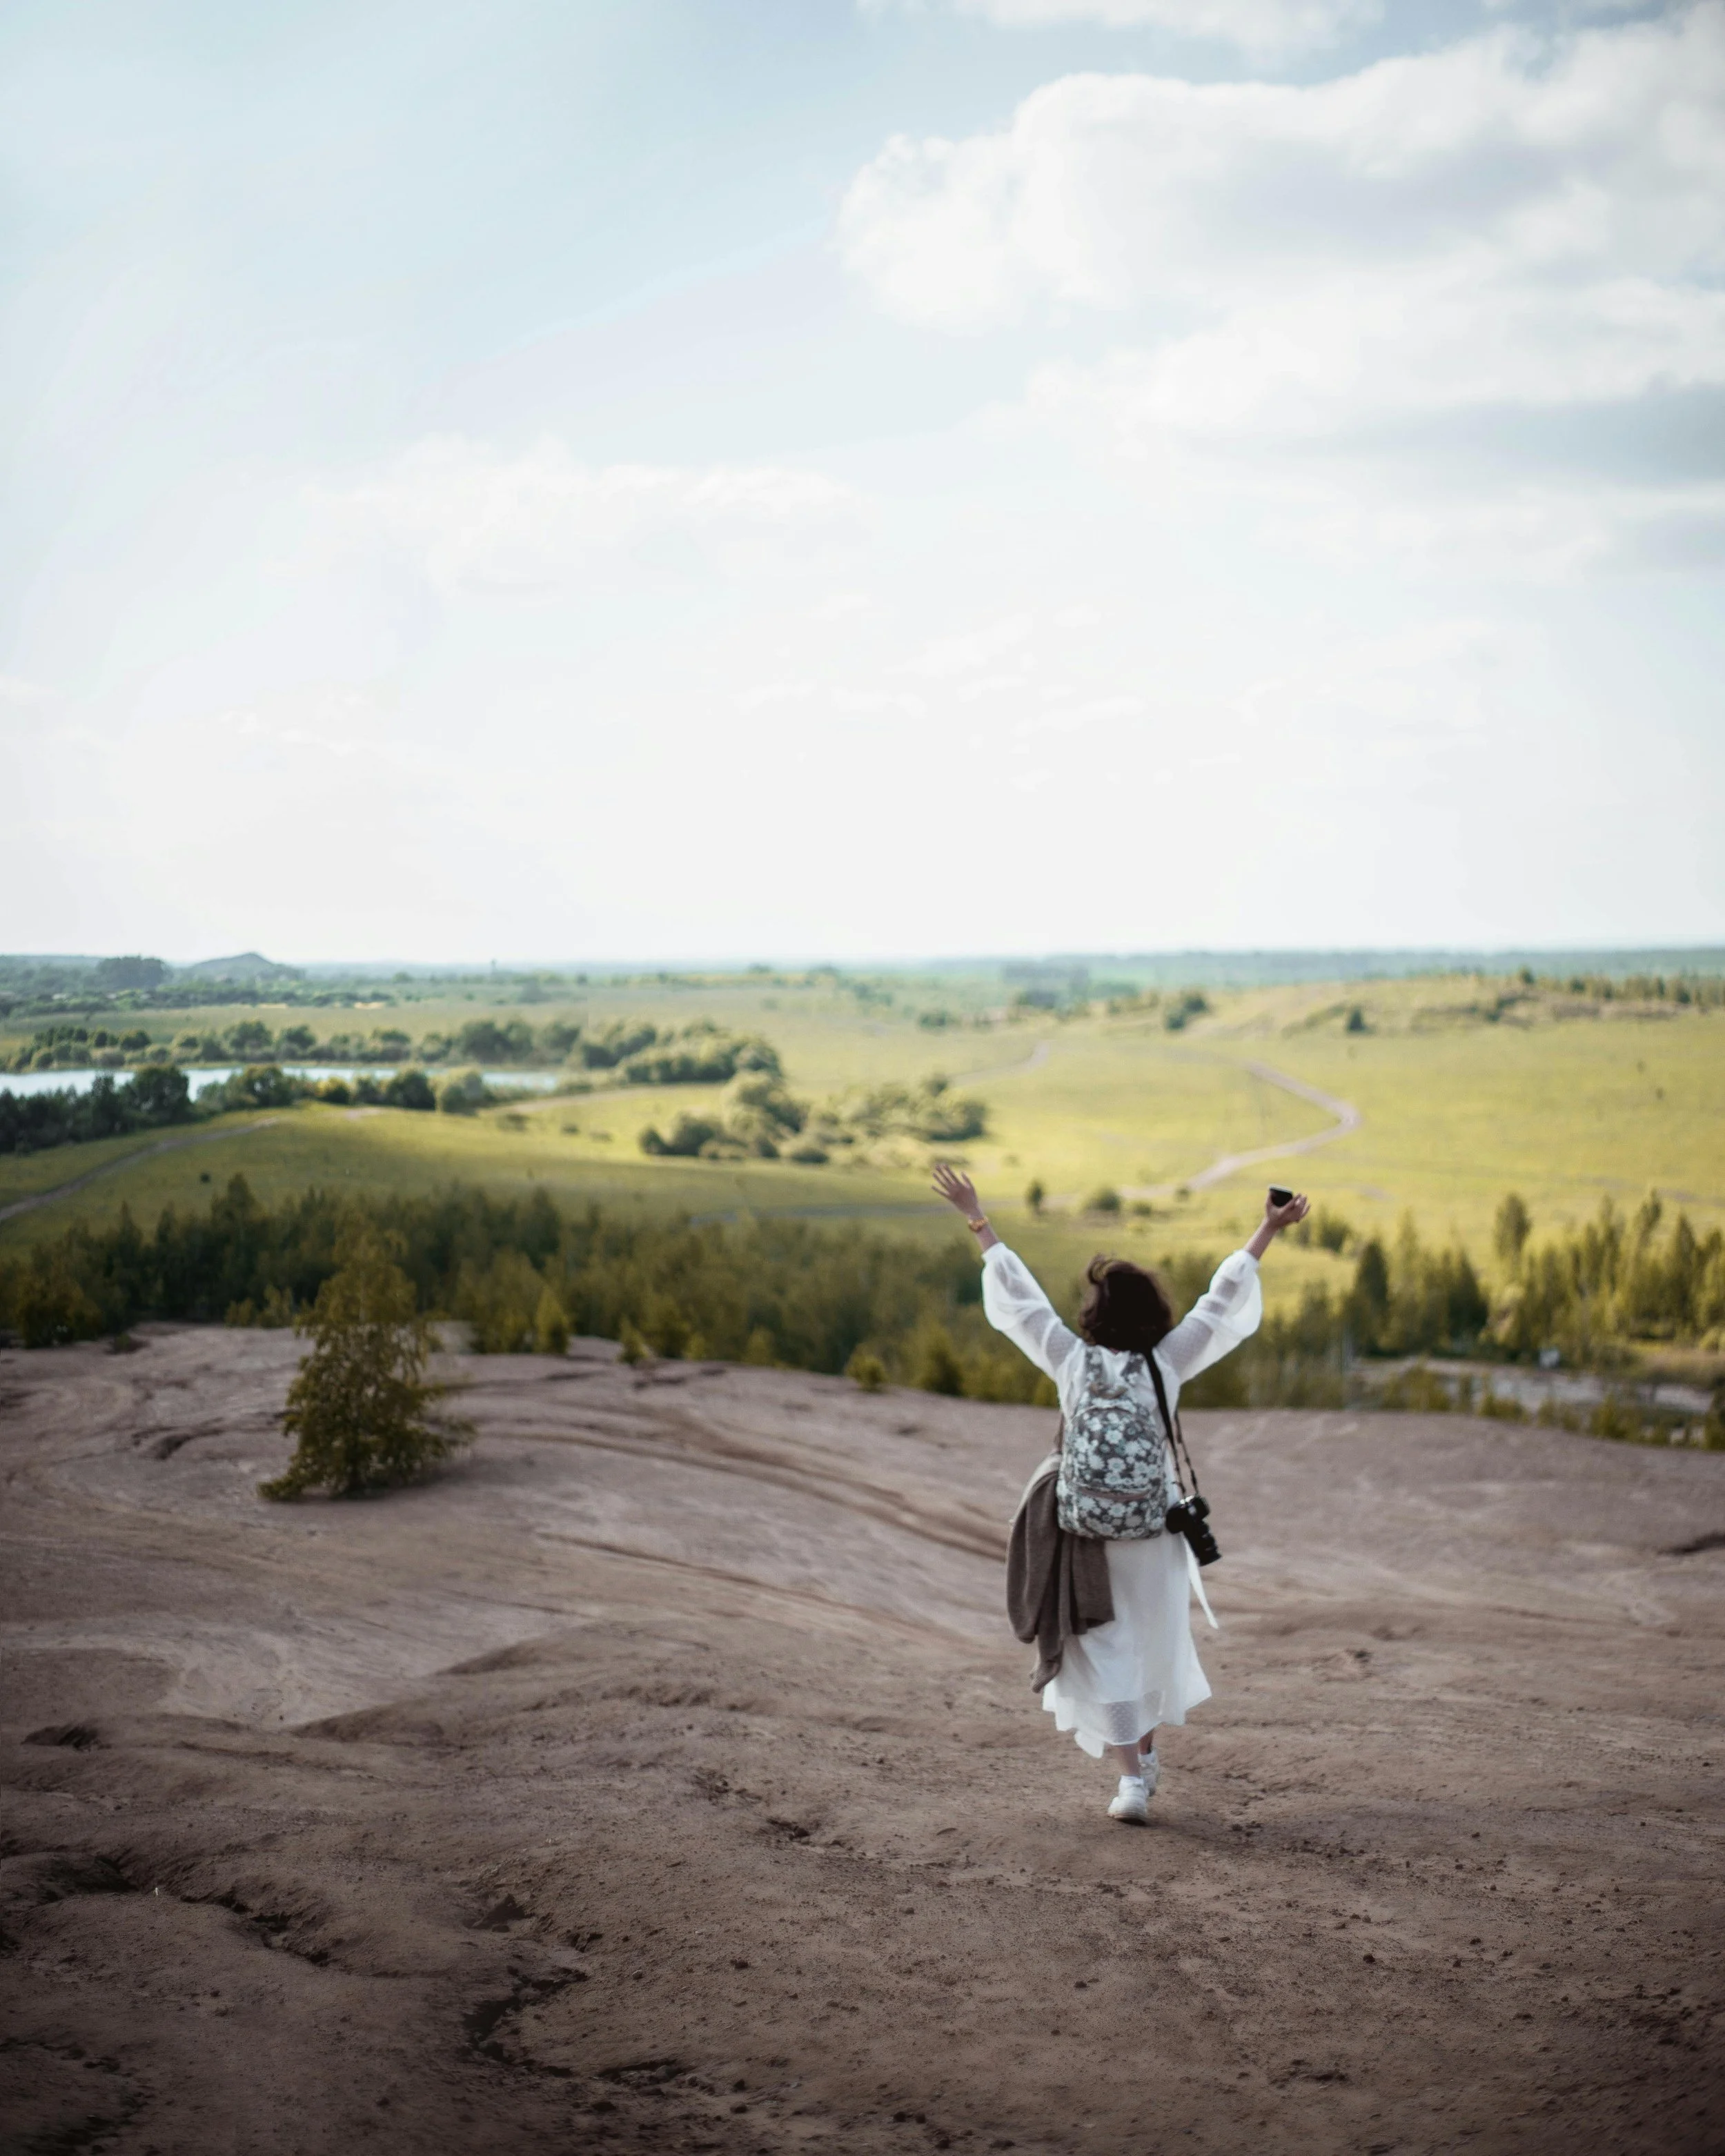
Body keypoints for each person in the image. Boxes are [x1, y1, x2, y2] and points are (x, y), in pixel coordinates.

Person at [931, 1163, 1309, 1823]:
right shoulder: (1167, 1363)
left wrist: (978, 1218)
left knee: (1106, 1650)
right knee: (1149, 1644)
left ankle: (1132, 1778)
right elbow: (1219, 1302)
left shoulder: (1071, 1359)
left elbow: (1021, 1302)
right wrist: (1266, 1229)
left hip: (1090, 1533)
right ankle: (1143, 1760)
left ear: (1095, 1314)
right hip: (1154, 1532)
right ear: (1153, 1314)